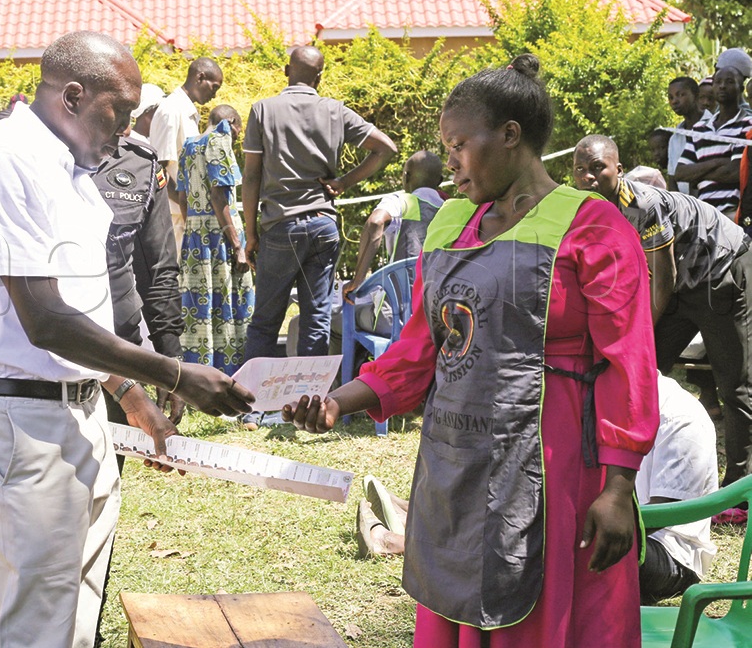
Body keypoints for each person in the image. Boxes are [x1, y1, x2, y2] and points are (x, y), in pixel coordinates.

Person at [284, 55, 658, 648]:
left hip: (555, 462)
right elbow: (419, 350)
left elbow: (628, 361)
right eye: (446, 146)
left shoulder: (593, 227)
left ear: (510, 136)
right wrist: (340, 402)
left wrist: (617, 487)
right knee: (459, 594)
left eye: (461, 144)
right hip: (454, 456)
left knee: (540, 610)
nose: (451, 160)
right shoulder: (451, 224)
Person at [0, 31, 253, 648]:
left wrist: (126, 390)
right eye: (123, 110)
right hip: (16, 421)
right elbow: (45, 319)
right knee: (32, 625)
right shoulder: (5, 158)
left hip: (76, 414)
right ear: (73, 96)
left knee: (76, 618)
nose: (131, 128)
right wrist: (175, 373)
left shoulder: (73, 168)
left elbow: (80, 307)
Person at [573, 134, 752, 504]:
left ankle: (737, 491)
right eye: (581, 170)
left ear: (617, 170)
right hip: (684, 282)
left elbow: (664, 277)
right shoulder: (586, 208)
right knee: (640, 370)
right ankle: (627, 470)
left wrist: (639, 331)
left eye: (598, 168)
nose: (589, 177)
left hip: (722, 272)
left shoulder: (643, 203)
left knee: (734, 385)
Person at [242, 45, 396, 362]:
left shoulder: (263, 110)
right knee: (316, 320)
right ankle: (311, 401)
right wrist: (344, 182)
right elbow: (386, 148)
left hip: (281, 226)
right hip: (323, 226)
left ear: (286, 71)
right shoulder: (335, 111)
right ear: (320, 77)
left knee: (265, 322)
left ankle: (254, 404)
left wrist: (250, 234)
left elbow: (252, 176)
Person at [92, 127, 186, 423]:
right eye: (117, 106)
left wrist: (170, 360)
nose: (125, 122)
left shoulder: (141, 163)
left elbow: (158, 267)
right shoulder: (36, 157)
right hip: (46, 356)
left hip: (119, 347)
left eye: (131, 109)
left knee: (110, 464)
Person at [177, 104, 254, 376]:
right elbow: (219, 197)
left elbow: (183, 197)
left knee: (201, 308)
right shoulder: (219, 141)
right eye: (238, 131)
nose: (236, 137)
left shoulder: (190, 145)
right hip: (220, 236)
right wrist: (237, 246)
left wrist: (194, 231)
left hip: (196, 236)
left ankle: (200, 374)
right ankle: (230, 372)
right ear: (231, 122)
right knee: (228, 305)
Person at [343, 151, 444, 336]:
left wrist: (358, 279)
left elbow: (375, 222)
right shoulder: (450, 208)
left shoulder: (401, 200)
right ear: (440, 181)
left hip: (396, 318)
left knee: (337, 319)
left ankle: (348, 366)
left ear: (405, 176)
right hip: (436, 322)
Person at [637, 374, 718, 604]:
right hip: (632, 529)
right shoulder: (607, 405)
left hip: (673, 552)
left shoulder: (679, 417)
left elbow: (664, 513)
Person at [149, 58, 223, 251]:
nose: (214, 96)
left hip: (187, 215)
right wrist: (188, 207)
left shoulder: (186, 110)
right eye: (213, 87)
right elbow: (157, 169)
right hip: (176, 218)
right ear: (200, 77)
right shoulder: (171, 110)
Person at [674, 55, 752, 216]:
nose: (722, 86)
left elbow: (736, 171)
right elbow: (681, 173)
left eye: (729, 82)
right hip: (706, 216)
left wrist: (698, 173)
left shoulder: (747, 124)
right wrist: (718, 161)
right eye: (718, 82)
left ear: (741, 88)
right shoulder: (699, 129)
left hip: (735, 214)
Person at [665, 76, 706, 195]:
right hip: (686, 207)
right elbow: (672, 178)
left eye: (680, 95)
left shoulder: (713, 127)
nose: (674, 101)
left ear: (696, 95)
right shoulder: (675, 138)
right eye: (670, 97)